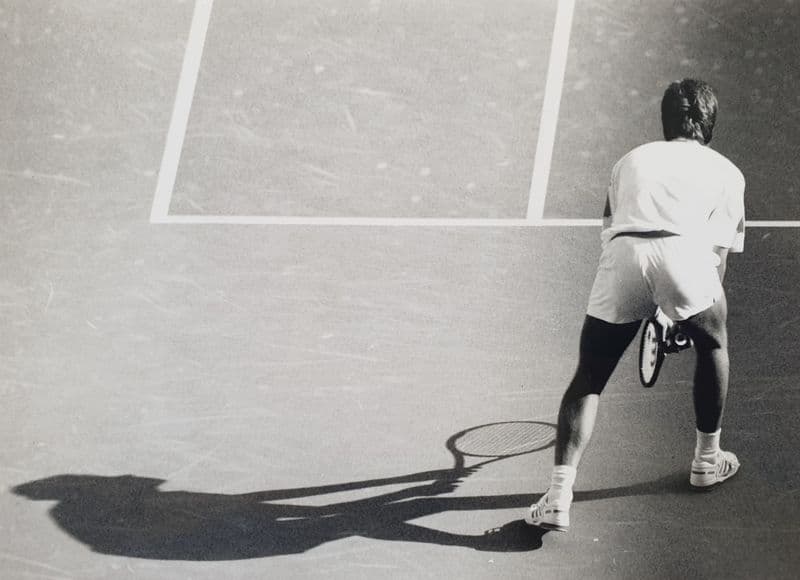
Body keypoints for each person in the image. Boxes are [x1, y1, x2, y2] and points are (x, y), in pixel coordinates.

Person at [525, 78, 746, 532]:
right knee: (714, 341)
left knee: (589, 376)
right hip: (687, 258)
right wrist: (681, 315)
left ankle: (559, 496)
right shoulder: (727, 172)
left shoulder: (628, 161)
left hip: (623, 256)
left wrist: (651, 299)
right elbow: (716, 262)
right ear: (709, 124)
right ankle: (707, 459)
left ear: (665, 122)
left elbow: (612, 232)